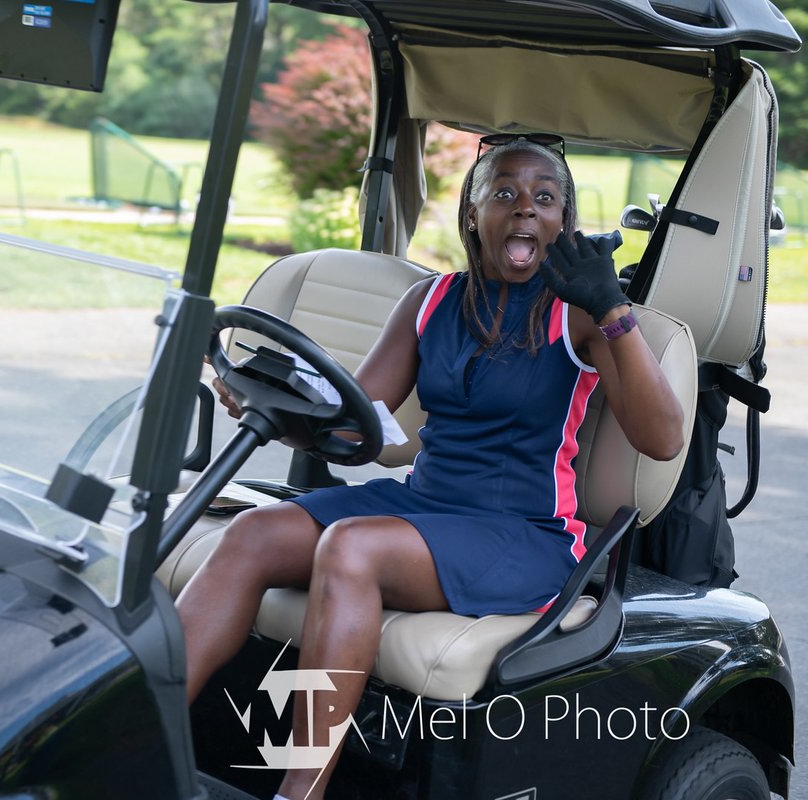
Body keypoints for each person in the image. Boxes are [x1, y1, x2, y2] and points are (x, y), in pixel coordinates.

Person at [176, 134, 685, 800]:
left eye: (545, 197)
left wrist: (612, 307)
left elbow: (664, 437)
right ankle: (125, 730)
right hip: (424, 505)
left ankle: (299, 791)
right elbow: (353, 413)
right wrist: (260, 396)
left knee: (351, 549)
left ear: (563, 221)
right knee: (250, 536)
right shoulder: (431, 301)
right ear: (473, 213)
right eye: (504, 192)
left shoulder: (581, 316)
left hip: (522, 533)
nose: (526, 209)